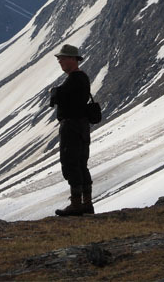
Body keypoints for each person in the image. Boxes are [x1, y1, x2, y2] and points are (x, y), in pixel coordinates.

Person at [50, 44, 94, 216]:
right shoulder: (81, 78)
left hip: (72, 127)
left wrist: (55, 91)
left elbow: (61, 97)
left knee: (71, 163)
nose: (59, 61)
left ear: (72, 59)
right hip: (81, 126)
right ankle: (86, 204)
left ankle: (77, 205)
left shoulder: (75, 79)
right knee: (81, 164)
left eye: (62, 58)